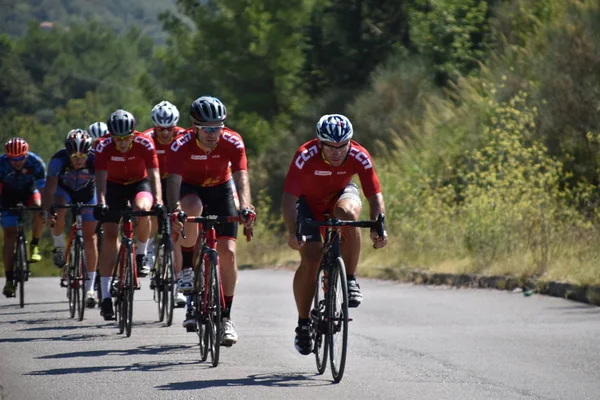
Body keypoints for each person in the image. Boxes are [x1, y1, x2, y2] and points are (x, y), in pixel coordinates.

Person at [281, 114, 388, 355]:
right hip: (307, 203)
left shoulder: (359, 154)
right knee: (311, 259)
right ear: (320, 142)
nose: (337, 152)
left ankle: (349, 279)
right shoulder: (304, 155)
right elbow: (289, 198)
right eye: (331, 147)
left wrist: (378, 226)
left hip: (340, 195)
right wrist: (292, 231)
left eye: (343, 146)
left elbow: (374, 194)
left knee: (348, 214)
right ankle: (303, 323)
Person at [168, 96, 255, 345]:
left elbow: (242, 178)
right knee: (192, 208)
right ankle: (186, 267)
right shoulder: (180, 143)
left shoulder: (233, 141)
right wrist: (175, 209)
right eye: (206, 128)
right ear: (194, 126)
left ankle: (226, 317)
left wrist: (246, 207)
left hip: (222, 190)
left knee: (227, 252)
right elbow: (173, 180)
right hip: (190, 189)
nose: (212, 133)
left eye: (217, 127)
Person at [93, 109, 162, 320]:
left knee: (142, 210)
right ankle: (105, 297)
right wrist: (102, 203)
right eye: (117, 139)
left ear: (133, 133)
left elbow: (154, 174)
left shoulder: (145, 142)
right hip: (113, 187)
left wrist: (158, 200)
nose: (122, 143)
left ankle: (141, 255)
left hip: (138, 184)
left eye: (126, 138)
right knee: (110, 234)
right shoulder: (103, 146)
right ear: (110, 135)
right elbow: (101, 179)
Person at [43, 129, 98, 307]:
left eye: (83, 155)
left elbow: (106, 185)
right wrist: (47, 210)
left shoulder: (95, 160)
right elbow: (49, 188)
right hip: (63, 193)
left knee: (91, 238)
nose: (79, 159)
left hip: (87, 194)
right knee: (58, 210)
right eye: (74, 155)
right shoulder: (58, 160)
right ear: (68, 152)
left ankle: (90, 289)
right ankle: (59, 246)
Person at [141, 101, 187, 307]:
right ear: (155, 126)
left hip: (176, 182)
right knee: (151, 207)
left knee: (177, 232)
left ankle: (179, 285)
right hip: (154, 182)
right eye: (161, 128)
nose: (165, 133)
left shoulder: (185, 137)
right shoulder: (147, 138)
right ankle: (149, 245)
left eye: (169, 128)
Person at [0, 138, 46, 298]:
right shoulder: (1, 164)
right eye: (13, 158)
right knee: (10, 234)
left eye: (20, 158)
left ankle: (34, 244)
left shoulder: (35, 162)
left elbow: (42, 188)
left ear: (26, 155)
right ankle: (9, 280)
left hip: (29, 192)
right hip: (6, 196)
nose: (17, 162)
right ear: (8, 157)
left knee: (40, 210)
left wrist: (46, 208)